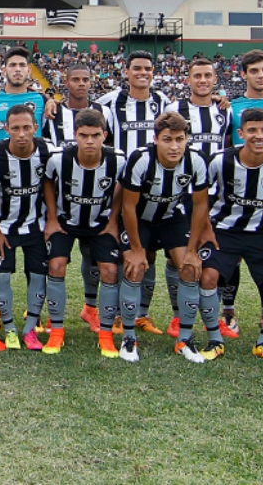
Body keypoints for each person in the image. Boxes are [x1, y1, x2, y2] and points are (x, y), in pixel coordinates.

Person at [196, 108, 263, 365]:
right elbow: (201, 196)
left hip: (262, 233)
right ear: (241, 133)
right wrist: (205, 228)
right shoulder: (220, 160)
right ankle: (215, 339)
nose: (259, 135)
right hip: (224, 230)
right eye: (252, 130)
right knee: (208, 277)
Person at [119, 112, 210, 363]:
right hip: (139, 219)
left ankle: (185, 339)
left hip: (171, 217)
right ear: (156, 139)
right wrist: (137, 249)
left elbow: (201, 206)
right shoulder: (140, 159)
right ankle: (128, 338)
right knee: (135, 267)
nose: (174, 146)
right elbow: (128, 207)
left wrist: (191, 250)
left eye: (180, 139)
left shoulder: (196, 160)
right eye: (167, 139)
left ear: (187, 139)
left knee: (190, 269)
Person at [97, 50, 170, 334]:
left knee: (148, 253)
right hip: (122, 189)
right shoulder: (109, 103)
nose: (143, 73)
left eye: (148, 68)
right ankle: (116, 314)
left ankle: (142, 313)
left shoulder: (164, 102)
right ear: (126, 72)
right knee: (121, 253)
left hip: (155, 190)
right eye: (137, 68)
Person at [43, 109, 125, 358]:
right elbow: (48, 181)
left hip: (100, 222)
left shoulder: (118, 160)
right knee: (56, 265)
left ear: (105, 136)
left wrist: (113, 221)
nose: (89, 141)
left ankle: (106, 334)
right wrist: (52, 218)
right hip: (66, 222)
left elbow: (123, 189)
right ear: (74, 135)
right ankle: (56, 329)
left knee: (110, 270)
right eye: (84, 135)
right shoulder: (59, 158)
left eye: (95, 135)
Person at [164, 57, 234, 339]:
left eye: (208, 75)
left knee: (213, 255)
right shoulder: (175, 109)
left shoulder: (224, 112)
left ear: (215, 79)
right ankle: (177, 316)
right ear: (188, 79)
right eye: (197, 76)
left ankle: (212, 318)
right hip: (183, 193)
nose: (203, 80)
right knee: (178, 257)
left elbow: (228, 147)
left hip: (216, 195)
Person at [44, 62, 115, 331]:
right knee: (54, 260)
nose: (81, 83)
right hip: (65, 201)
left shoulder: (104, 112)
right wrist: (47, 98)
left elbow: (112, 150)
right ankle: (51, 314)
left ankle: (90, 308)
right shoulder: (52, 110)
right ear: (66, 80)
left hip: (97, 199)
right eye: (76, 79)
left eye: (86, 79)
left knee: (93, 258)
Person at [0, 105, 53, 350]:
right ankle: (10, 327)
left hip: (37, 226)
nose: (21, 134)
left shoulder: (48, 151)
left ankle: (30, 329)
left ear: (35, 127)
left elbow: (52, 187)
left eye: (26, 127)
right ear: (6, 129)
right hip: (4, 228)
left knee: (38, 276)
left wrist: (52, 220)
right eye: (15, 128)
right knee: (1, 277)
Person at [226, 49, 263, 332]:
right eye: (254, 70)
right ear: (243, 74)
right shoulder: (231, 107)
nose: (261, 75)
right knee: (233, 252)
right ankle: (228, 312)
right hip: (241, 190)